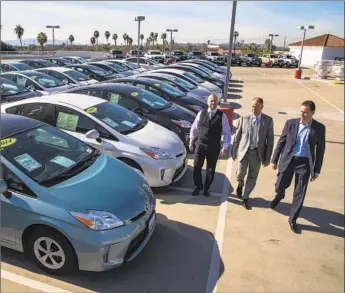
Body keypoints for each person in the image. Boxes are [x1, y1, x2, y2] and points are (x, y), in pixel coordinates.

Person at [270, 100, 326, 233]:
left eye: (306, 112)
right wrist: (274, 159)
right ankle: (279, 195)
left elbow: (321, 150)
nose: (302, 114)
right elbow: (281, 141)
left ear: (312, 113)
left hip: (305, 163)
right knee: (280, 183)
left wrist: (316, 170)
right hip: (288, 160)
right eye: (301, 112)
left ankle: (293, 219)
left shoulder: (319, 128)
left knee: (299, 193)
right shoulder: (291, 123)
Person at [231, 97, 274, 209]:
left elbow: (270, 141)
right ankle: (240, 184)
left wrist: (267, 158)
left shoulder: (268, 120)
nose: (254, 108)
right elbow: (238, 135)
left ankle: (245, 197)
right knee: (240, 173)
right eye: (253, 106)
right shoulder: (245, 118)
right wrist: (234, 149)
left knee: (252, 177)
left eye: (256, 106)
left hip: (257, 154)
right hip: (244, 151)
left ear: (262, 107)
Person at [189, 94, 231, 197]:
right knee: (197, 166)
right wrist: (191, 141)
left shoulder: (222, 116)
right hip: (200, 145)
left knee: (210, 169)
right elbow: (194, 128)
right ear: (207, 102)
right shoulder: (201, 113)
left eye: (215, 101)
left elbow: (227, 132)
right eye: (211, 101)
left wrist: (225, 146)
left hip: (214, 147)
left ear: (218, 103)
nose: (213, 103)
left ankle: (206, 188)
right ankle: (198, 186)